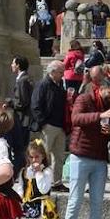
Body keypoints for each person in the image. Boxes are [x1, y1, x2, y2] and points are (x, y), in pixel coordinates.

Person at [62, 81, 110, 219]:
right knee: (75, 202)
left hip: (100, 159)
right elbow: (76, 119)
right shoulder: (84, 98)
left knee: (97, 205)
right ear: (100, 89)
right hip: (80, 155)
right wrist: (101, 115)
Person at [30, 60, 68, 190]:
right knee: (43, 155)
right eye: (60, 72)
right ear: (52, 72)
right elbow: (35, 105)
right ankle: (40, 180)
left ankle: (57, 182)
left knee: (59, 156)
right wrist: (43, 123)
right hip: (48, 125)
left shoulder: (60, 85)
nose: (63, 74)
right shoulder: (42, 85)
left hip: (60, 125)